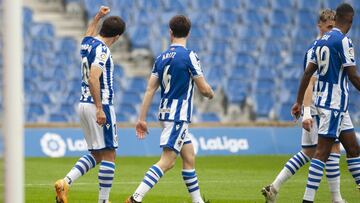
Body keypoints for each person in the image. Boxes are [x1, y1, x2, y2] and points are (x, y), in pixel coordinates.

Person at [125, 15, 214, 203]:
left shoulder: (161, 58)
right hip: (178, 116)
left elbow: (150, 89)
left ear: (170, 32)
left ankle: (198, 201)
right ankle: (135, 198)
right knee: (168, 161)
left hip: (166, 113)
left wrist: (141, 118)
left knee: (189, 157)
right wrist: (210, 93)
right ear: (188, 32)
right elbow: (203, 88)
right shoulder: (189, 55)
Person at [262, 9, 346, 203]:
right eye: (329, 27)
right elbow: (311, 81)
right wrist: (307, 111)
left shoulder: (316, 48)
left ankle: (274, 187)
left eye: (335, 27)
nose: (332, 31)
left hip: (314, 106)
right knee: (333, 148)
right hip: (320, 107)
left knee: (307, 152)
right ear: (320, 25)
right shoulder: (321, 49)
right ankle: (336, 198)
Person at [54, 6, 126, 203]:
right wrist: (101, 108)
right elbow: (94, 78)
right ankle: (104, 201)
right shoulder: (103, 51)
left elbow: (88, 32)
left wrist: (97, 17)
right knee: (109, 154)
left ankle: (65, 182)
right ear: (118, 36)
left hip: (83, 104)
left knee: (95, 153)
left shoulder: (87, 43)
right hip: (98, 104)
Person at [291, 3, 360, 203]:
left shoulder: (320, 42)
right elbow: (353, 76)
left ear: (336, 18)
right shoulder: (344, 41)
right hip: (333, 105)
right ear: (351, 21)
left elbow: (307, 73)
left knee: (353, 148)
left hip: (333, 105)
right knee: (322, 152)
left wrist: (298, 101)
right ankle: (307, 199)